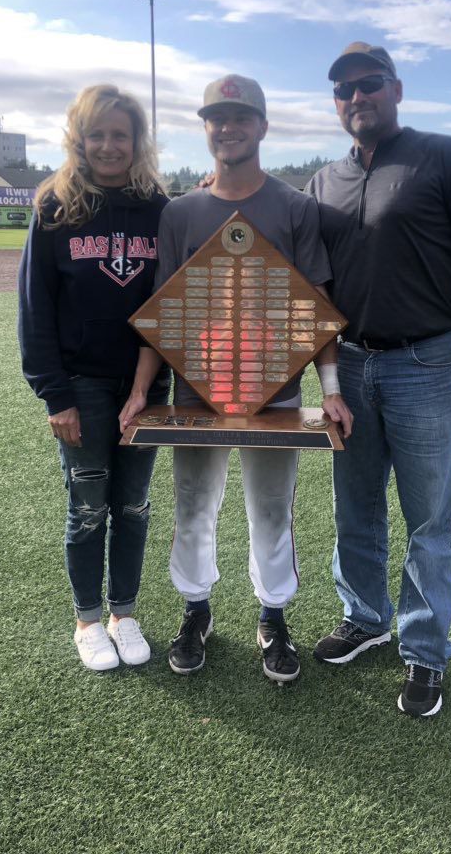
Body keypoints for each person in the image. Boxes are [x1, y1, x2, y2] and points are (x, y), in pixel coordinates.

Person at [119, 74, 352, 684]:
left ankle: (273, 616)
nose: (228, 127)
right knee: (194, 506)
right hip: (199, 392)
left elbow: (315, 307)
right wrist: (142, 391)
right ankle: (196, 611)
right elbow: (164, 313)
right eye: (217, 118)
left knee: (272, 511)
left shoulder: (295, 207)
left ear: (262, 127)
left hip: (274, 392)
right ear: (206, 128)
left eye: (240, 117)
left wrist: (330, 389)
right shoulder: (181, 212)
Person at [307, 42, 451, 717]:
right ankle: (366, 618)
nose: (356, 97)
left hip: (428, 363)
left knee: (429, 515)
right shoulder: (323, 182)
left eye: (368, 84)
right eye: (343, 90)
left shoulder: (442, 156)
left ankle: (425, 651)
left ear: (396, 89)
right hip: (352, 365)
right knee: (356, 507)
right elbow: (311, 290)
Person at [18, 84, 170, 672]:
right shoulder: (54, 206)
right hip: (80, 383)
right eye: (97, 134)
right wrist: (55, 394)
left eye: (120, 135)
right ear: (79, 139)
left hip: (145, 383)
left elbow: (168, 298)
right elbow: (35, 307)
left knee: (132, 504)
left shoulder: (158, 205)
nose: (109, 146)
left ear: (137, 142)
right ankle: (87, 619)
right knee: (88, 507)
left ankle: (123, 613)